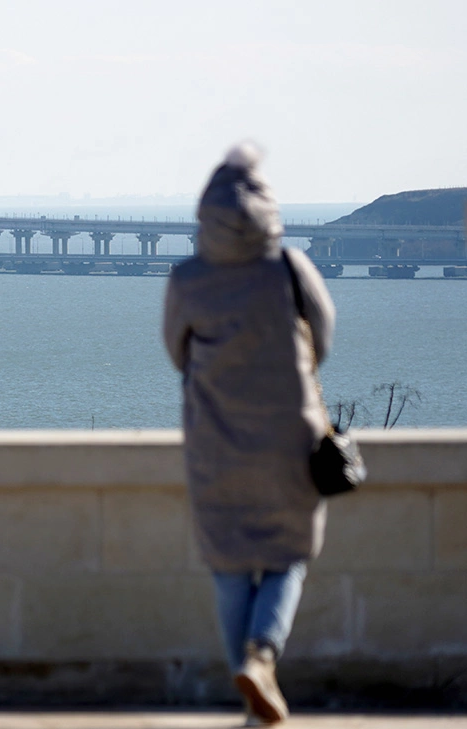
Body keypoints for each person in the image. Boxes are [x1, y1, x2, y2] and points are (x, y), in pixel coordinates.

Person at [162, 142, 336, 725]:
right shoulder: (289, 267)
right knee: (288, 558)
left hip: (215, 441)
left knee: (230, 567)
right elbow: (323, 337)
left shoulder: (187, 278)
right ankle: (263, 659)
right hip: (290, 438)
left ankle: (250, 690)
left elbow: (175, 352)